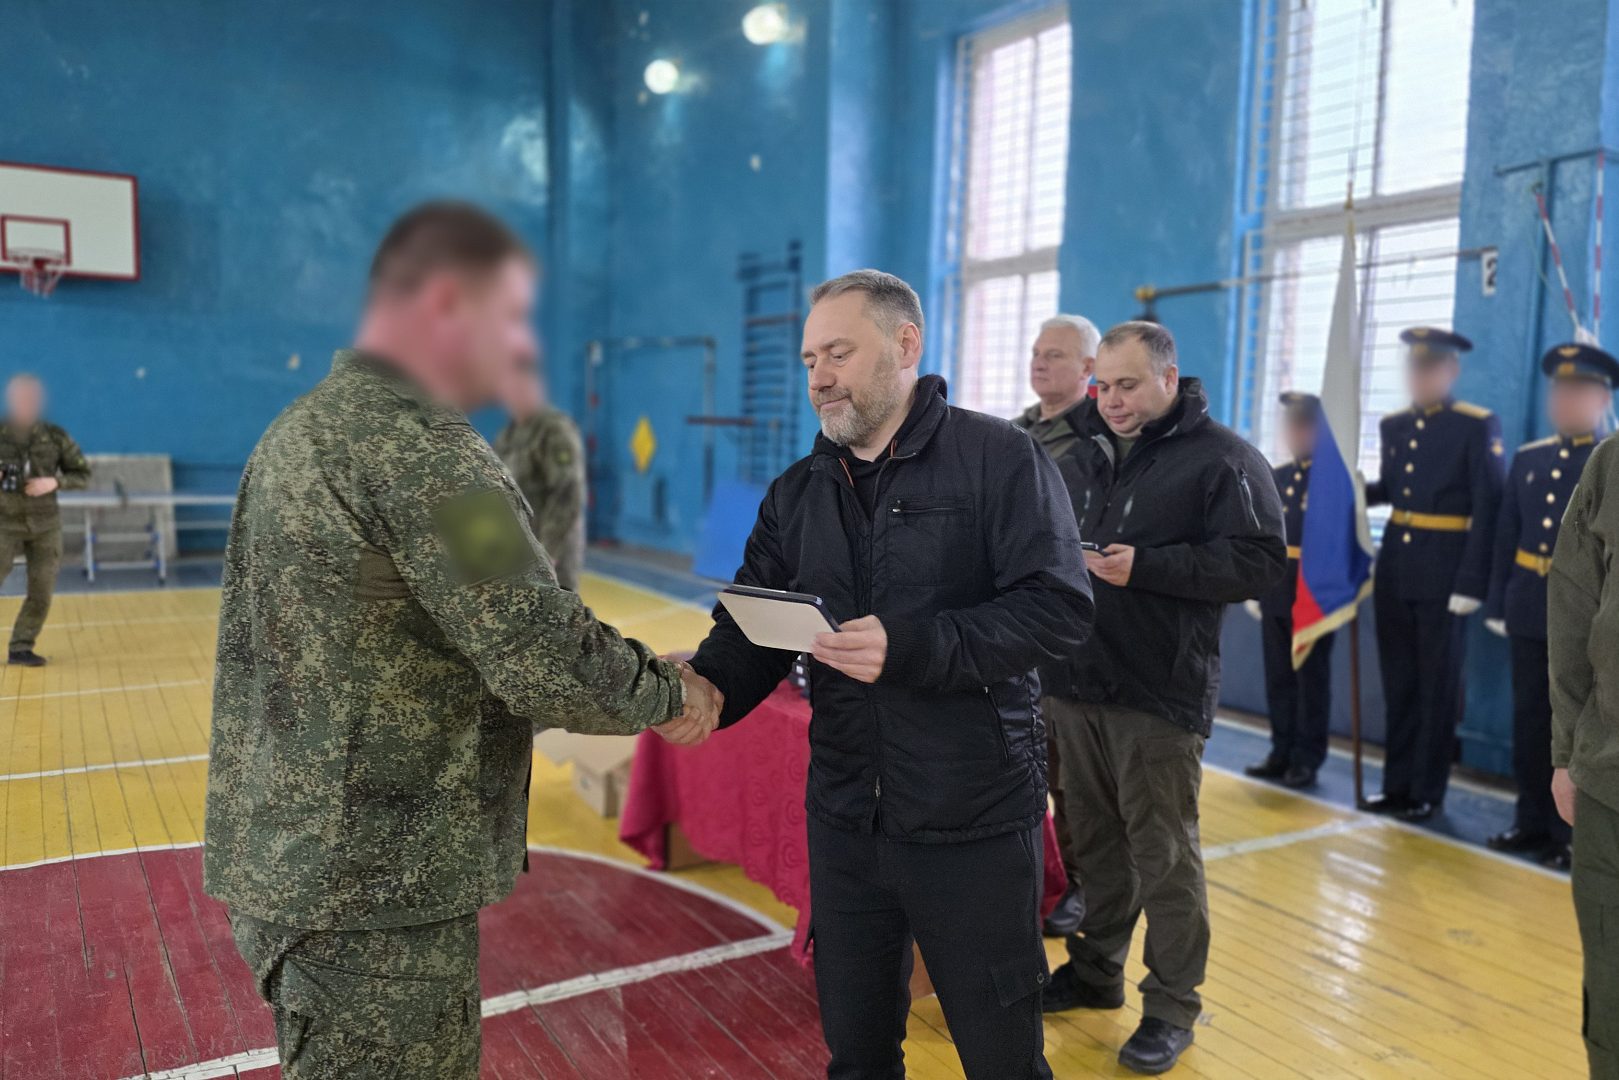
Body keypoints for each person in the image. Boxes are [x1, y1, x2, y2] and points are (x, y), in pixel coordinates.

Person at [203, 201, 723, 1080]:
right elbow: (531, 639)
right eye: (510, 315)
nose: (517, 345)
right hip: (376, 881)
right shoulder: (420, 447)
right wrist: (672, 693)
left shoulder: (299, 431)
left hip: (295, 855)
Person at [687, 270, 1093, 1080]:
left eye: (837, 352)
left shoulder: (998, 459)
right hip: (845, 821)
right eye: (808, 360)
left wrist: (911, 647)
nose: (818, 378)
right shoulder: (798, 491)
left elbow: (1057, 609)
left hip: (970, 821)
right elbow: (754, 626)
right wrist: (703, 688)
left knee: (1002, 1058)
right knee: (857, 1054)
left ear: (906, 345)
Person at [1040, 321, 1286, 1075]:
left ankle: (1172, 1006)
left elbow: (1258, 564)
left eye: (1127, 385)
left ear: (1168, 379)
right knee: (1094, 845)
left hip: (1157, 691)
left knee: (1164, 855)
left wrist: (1145, 568)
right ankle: (1094, 972)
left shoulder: (1223, 460)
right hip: (1072, 680)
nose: (1111, 401)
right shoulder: (1074, 450)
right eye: (1102, 386)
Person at [1363, 327, 1504, 822]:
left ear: (1451, 372)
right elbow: (1397, 490)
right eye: (1415, 368)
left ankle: (1427, 790)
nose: (1421, 377)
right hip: (1397, 570)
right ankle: (1396, 784)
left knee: (1436, 687)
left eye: (1431, 368)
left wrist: (1472, 582)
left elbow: (1488, 506)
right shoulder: (1395, 425)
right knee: (1398, 684)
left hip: (1446, 574)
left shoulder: (1476, 426)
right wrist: (1358, 488)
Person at [1485, 343, 1617, 871]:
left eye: (1578, 391)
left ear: (1603, 397)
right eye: (1558, 391)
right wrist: (1498, 599)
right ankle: (1530, 820)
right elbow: (1506, 536)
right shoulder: (1531, 458)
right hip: (1529, 608)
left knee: (1585, 730)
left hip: (1591, 625)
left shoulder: (1606, 462)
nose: (1564, 401)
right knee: (1530, 722)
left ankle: (1574, 835)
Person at [1012, 311, 1101, 938]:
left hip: (1068, 636)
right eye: (1038, 352)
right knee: (1022, 770)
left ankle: (1083, 890)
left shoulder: (1099, 442)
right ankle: (1031, 879)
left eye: (1057, 355)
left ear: (1089, 370)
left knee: (1073, 784)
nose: (1041, 363)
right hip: (1013, 630)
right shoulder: (1014, 433)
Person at [1548, 400, 1619, 1079]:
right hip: (1608, 777)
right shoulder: (1611, 461)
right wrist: (1566, 752)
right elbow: (1571, 606)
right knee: (1612, 986)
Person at [1244, 391, 1334, 789]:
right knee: (1278, 677)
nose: (1296, 433)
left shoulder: (1336, 483)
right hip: (1279, 589)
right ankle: (1280, 750)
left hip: (1314, 594)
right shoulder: (1277, 477)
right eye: (1291, 426)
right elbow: (1263, 539)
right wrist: (1257, 589)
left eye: (1303, 426)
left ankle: (1307, 757)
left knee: (1310, 681)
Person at [0, 373, 90, 666]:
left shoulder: (55, 436)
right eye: (20, 397)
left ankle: (21, 647)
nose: (26, 403)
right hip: (4, 522)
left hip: (45, 525)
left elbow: (82, 474)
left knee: (41, 590)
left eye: (31, 397)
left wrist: (54, 482)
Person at [493, 366, 586, 590]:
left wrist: (549, 552)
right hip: (517, 553)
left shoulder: (554, 429)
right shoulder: (508, 435)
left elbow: (568, 493)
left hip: (551, 555)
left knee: (556, 620)